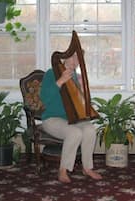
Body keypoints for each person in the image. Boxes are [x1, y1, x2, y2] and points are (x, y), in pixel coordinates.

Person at [40, 51, 102, 183]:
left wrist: (83, 90)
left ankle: (87, 168)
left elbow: (81, 104)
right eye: (74, 57)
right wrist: (61, 81)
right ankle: (63, 170)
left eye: (79, 59)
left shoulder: (77, 77)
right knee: (74, 133)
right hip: (51, 118)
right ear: (65, 57)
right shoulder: (51, 73)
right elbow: (45, 99)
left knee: (90, 129)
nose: (76, 61)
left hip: (71, 119)